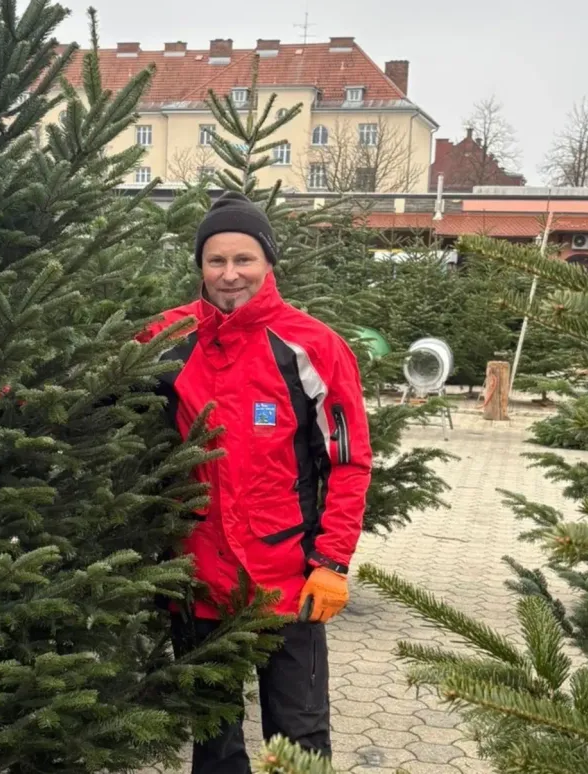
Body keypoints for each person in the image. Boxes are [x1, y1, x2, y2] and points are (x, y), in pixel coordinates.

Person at [138, 191, 372, 772]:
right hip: (200, 575)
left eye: (243, 259)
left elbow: (348, 462)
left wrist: (332, 563)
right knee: (213, 740)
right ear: (200, 267)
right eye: (216, 261)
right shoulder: (170, 338)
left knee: (298, 737)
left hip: (287, 579)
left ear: (268, 263)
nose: (229, 274)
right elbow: (95, 384)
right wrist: (17, 401)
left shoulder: (312, 347)